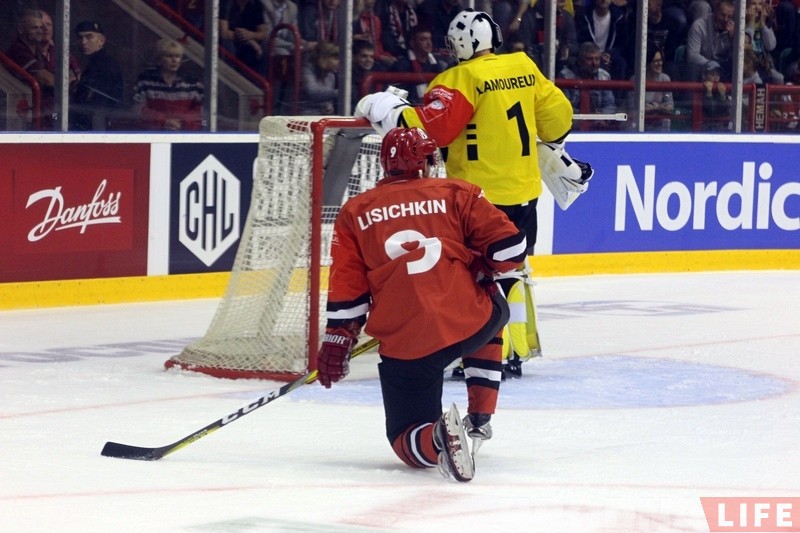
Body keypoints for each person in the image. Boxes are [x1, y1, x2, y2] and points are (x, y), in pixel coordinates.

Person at [355, 9, 592, 377]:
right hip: (525, 194)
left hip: (478, 200)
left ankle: (482, 354)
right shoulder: (524, 67)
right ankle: (515, 351)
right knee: (513, 269)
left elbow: (432, 130)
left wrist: (391, 110)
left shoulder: (460, 78)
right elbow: (559, 120)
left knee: (476, 277)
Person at [316, 126, 527, 482]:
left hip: (412, 343)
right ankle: (480, 415)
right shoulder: (458, 191)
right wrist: (478, 265)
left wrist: (340, 337)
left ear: (385, 166)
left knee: (404, 436)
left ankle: (435, 437)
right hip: (472, 323)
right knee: (492, 303)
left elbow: (348, 290)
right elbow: (511, 251)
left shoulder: (355, 211)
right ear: (429, 161)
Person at [132, 38, 204, 131]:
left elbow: (202, 112)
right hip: (154, 135)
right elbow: (137, 109)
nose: (174, 60)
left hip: (186, 136)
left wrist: (183, 122)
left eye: (177, 56)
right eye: (169, 56)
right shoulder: (145, 81)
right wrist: (162, 121)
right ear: (159, 59)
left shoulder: (192, 83)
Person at [70, 20, 124, 131]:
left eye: (89, 37)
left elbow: (96, 102)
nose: (83, 42)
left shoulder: (104, 65)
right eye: (80, 38)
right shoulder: (94, 63)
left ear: (101, 40)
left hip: (95, 125)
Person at [559, 41, 618, 130]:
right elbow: (565, 107)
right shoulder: (565, 76)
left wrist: (602, 116)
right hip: (572, 125)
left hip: (599, 124)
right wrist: (590, 117)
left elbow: (610, 105)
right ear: (580, 60)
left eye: (597, 59)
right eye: (589, 59)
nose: (594, 63)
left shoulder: (604, 76)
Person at [391, 26, 447, 104]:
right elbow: (394, 95)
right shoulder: (401, 66)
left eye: (429, 39)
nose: (429, 43)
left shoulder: (439, 65)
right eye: (423, 39)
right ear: (412, 43)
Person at [575, 0, 628, 80]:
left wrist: (610, 54)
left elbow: (622, 43)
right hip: (588, 52)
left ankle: (615, 92)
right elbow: (581, 40)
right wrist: (597, 55)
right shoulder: (583, 14)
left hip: (609, 54)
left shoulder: (619, 16)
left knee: (620, 63)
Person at [625, 45, 674, 132]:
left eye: (661, 60)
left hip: (658, 123)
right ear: (647, 63)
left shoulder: (665, 79)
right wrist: (658, 108)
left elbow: (669, 106)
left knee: (666, 121)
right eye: (656, 61)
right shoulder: (635, 79)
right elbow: (632, 108)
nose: (660, 64)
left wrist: (654, 107)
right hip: (639, 123)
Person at [686, 0, 735, 82]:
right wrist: (712, 65)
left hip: (723, 67)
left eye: (729, 16)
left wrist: (732, 39)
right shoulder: (699, 26)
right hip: (703, 65)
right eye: (722, 15)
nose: (726, 19)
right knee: (692, 69)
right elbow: (692, 56)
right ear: (715, 12)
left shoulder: (734, 30)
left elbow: (737, 59)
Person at [219, 0, 268, 72]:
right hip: (230, 39)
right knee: (227, 45)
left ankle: (257, 82)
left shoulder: (256, 3)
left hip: (246, 41)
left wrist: (251, 35)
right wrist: (249, 40)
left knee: (265, 46)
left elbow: (263, 33)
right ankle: (230, 77)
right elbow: (223, 32)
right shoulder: (226, 2)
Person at [299, 41, 339, 115]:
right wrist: (340, 93)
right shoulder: (306, 70)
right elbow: (313, 93)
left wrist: (329, 106)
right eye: (335, 59)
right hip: (302, 115)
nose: (339, 62)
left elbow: (328, 99)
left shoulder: (331, 75)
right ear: (324, 58)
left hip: (321, 116)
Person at [700, 59, 731, 131]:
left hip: (721, 127)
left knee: (730, 127)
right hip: (705, 127)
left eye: (718, 74)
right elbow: (711, 112)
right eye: (712, 74)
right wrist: (708, 93)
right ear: (704, 75)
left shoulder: (721, 88)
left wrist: (723, 96)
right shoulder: (701, 88)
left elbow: (723, 111)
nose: (716, 77)